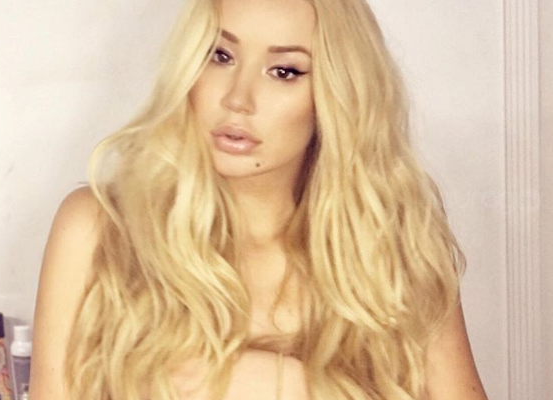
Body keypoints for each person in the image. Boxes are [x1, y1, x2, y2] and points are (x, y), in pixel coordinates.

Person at [29, 0, 489, 399]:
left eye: (284, 71)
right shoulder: (98, 229)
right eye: (221, 55)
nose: (238, 99)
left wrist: (285, 384)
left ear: (336, 93)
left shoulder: (395, 247)